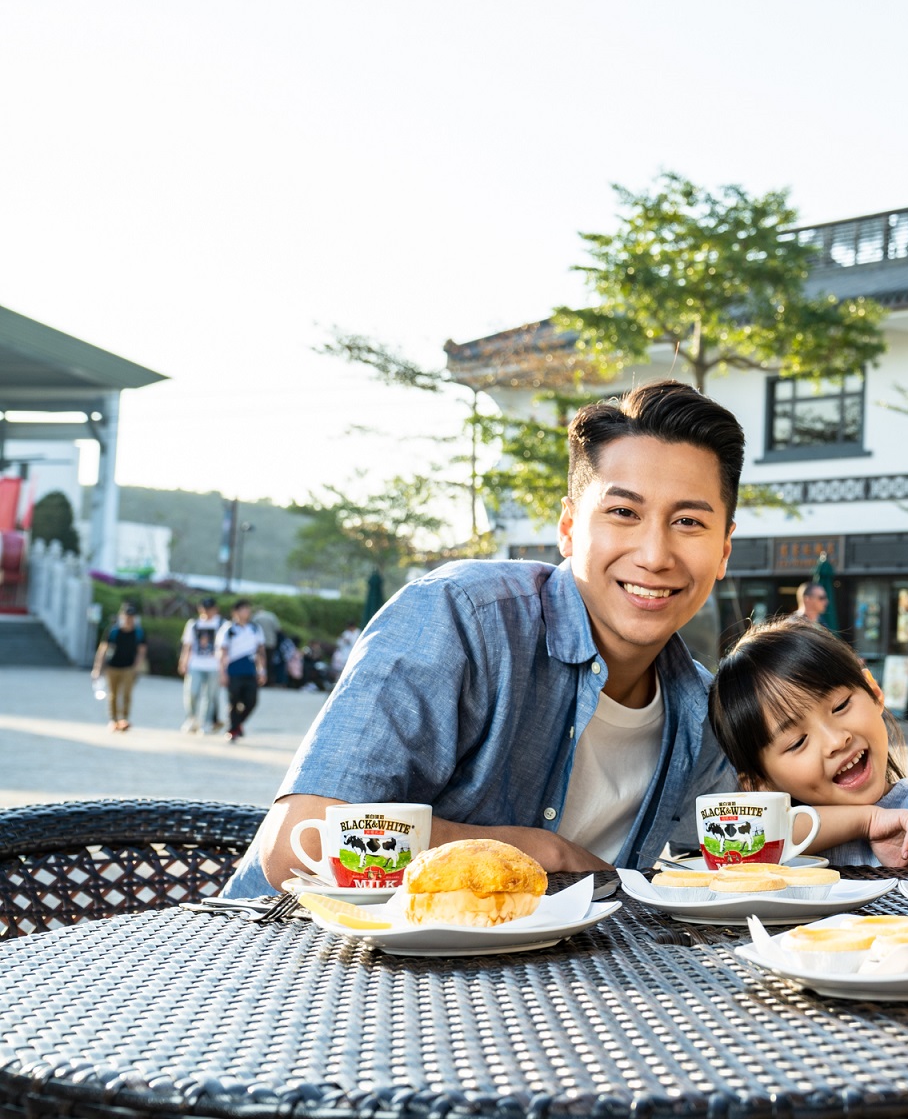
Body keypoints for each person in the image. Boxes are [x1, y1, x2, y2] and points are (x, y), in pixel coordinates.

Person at [222, 380, 744, 898]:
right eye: (623, 512)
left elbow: (725, 865)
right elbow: (298, 841)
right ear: (568, 527)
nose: (654, 554)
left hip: (543, 976)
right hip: (290, 956)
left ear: (723, 550)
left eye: (688, 521)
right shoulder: (463, 618)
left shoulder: (700, 709)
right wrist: (545, 852)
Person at [710, 618, 908, 870]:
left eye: (840, 706)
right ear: (759, 783)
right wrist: (865, 820)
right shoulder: (771, 845)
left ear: (874, 692)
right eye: (798, 741)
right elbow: (736, 838)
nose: (836, 741)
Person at [90, 602, 147, 732]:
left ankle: (124, 719)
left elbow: (141, 651)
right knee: (113, 695)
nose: (128, 619)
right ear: (122, 616)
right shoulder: (113, 630)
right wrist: (97, 668)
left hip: (129, 667)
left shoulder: (138, 632)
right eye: (126, 616)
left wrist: (137, 667)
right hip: (112, 667)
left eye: (131, 617)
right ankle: (113, 720)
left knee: (126, 694)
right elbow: (103, 649)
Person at [219, 598, 267, 741]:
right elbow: (222, 651)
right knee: (234, 702)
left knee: (251, 702)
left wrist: (262, 670)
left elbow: (260, 650)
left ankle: (237, 724)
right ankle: (233, 730)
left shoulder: (255, 628)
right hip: (233, 670)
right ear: (235, 612)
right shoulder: (228, 629)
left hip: (250, 669)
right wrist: (222, 672)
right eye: (243, 609)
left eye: (248, 609)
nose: (246, 612)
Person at [177, 597, 225, 735]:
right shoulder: (193, 624)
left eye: (209, 609)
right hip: (196, 663)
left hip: (214, 665)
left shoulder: (222, 624)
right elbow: (188, 645)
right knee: (192, 692)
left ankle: (205, 722)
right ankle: (191, 718)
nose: (206, 612)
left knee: (210, 696)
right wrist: (183, 661)